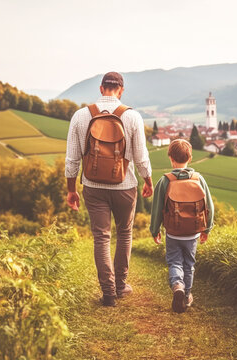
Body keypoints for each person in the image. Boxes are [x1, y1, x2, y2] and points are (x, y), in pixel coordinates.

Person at [65, 72, 153, 307]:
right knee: (124, 233)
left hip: (93, 186)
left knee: (101, 237)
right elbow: (141, 157)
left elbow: (72, 159)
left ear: (101, 88)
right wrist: (148, 181)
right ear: (121, 90)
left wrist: (71, 189)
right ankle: (120, 285)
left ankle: (108, 292)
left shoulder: (81, 116)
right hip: (125, 185)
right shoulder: (132, 117)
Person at [150, 139, 214, 313]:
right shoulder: (198, 179)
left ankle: (177, 285)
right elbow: (209, 206)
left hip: (173, 232)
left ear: (170, 158)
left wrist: (154, 230)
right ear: (190, 157)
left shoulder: (165, 181)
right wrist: (206, 229)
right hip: (193, 233)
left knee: (174, 262)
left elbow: (157, 209)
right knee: (189, 264)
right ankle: (186, 296)